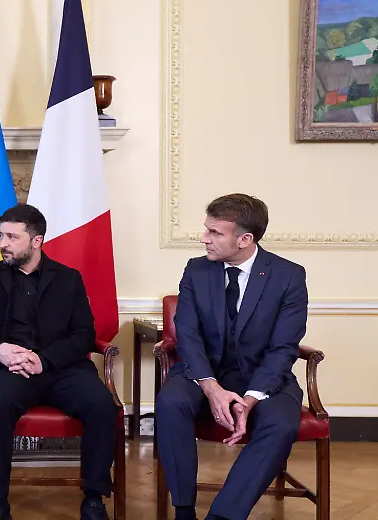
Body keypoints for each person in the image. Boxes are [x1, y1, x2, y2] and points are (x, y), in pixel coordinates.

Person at [0, 203, 118, 520]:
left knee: (102, 404)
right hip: (10, 369)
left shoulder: (69, 279)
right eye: (1, 235)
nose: (3, 243)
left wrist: (44, 360)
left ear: (36, 241)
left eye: (12, 237)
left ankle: (94, 498)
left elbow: (84, 334)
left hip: (60, 369)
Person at [155, 194, 308, 520]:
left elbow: (283, 348)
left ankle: (223, 515)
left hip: (262, 378)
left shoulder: (288, 276)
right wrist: (211, 388)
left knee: (281, 424)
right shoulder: (197, 270)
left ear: (244, 239)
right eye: (206, 229)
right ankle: (183, 511)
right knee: (170, 402)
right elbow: (188, 334)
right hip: (202, 372)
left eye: (214, 232)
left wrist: (250, 398)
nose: (203, 238)